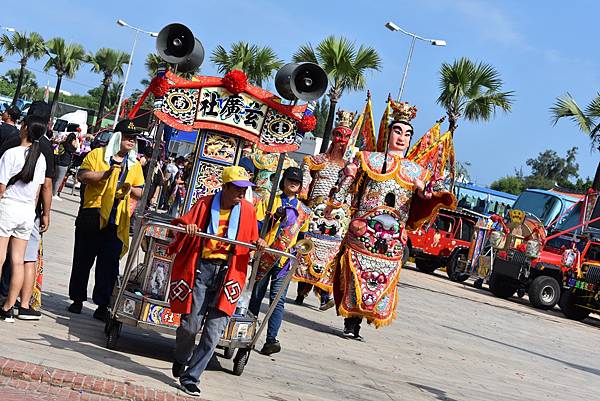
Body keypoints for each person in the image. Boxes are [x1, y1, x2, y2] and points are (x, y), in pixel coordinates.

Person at [329, 102, 455, 339]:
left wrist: (425, 193)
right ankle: (351, 321)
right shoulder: (368, 158)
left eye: (407, 134)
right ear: (388, 133)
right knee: (356, 274)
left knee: (381, 279)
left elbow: (432, 196)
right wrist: (342, 187)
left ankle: (365, 317)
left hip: (393, 239)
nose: (402, 138)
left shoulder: (417, 172)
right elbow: (345, 186)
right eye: (398, 131)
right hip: (364, 231)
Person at [168, 165, 264, 397]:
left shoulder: (249, 211)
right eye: (238, 189)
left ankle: (192, 377)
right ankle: (181, 357)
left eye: (245, 190)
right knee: (190, 325)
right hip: (202, 269)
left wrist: (259, 242)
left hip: (230, 274)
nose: (242, 194)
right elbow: (180, 225)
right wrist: (188, 227)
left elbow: (252, 238)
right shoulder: (205, 203)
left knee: (213, 333)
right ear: (226, 187)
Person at [67, 119, 144, 321]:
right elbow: (82, 176)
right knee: (83, 259)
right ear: (117, 137)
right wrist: (105, 174)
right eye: (127, 137)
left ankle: (102, 304)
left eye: (133, 138)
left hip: (117, 217)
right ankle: (77, 299)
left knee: (109, 264)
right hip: (93, 212)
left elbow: (140, 191)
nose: (131, 141)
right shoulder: (98, 154)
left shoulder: (134, 164)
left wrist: (130, 189)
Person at [294, 110, 354, 310]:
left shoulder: (349, 167)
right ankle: (302, 292)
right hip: (315, 215)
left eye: (346, 136)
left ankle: (324, 295)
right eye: (338, 134)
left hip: (336, 221)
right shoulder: (317, 161)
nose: (341, 140)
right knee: (309, 251)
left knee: (330, 256)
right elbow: (305, 185)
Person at [0, 101, 55, 318]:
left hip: (9, 207)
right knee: (19, 260)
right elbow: (42, 188)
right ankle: (10, 307)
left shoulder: (12, 153)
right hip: (27, 212)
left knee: (1, 256)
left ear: (24, 126)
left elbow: (2, 187)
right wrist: (43, 213)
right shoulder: (41, 157)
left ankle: (4, 304)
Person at [249, 166, 311, 355]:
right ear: (283, 181)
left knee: (278, 300)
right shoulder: (270, 201)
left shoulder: (304, 211)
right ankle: (248, 331)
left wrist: (300, 251)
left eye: (297, 182)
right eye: (290, 180)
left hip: (285, 261)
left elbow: (302, 236)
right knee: (257, 295)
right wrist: (274, 217)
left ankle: (271, 339)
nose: (293, 183)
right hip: (266, 254)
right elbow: (259, 225)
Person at [52, 132, 77, 199]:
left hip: (57, 161)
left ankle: (52, 193)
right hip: (63, 163)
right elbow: (75, 149)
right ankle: (53, 194)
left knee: (55, 179)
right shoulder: (69, 146)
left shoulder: (63, 143)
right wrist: (75, 143)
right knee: (59, 180)